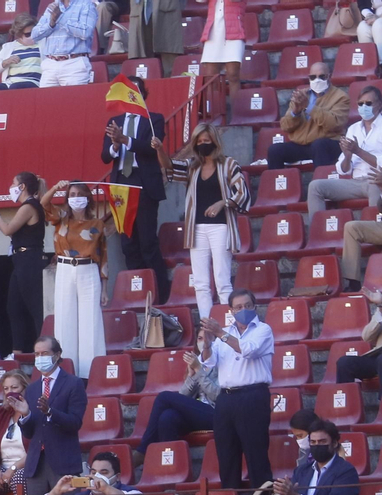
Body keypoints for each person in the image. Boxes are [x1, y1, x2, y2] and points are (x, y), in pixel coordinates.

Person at [163, 123, 250, 320]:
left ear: (215, 142)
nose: (203, 144)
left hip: (221, 226)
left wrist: (223, 202)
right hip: (197, 229)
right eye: (199, 141)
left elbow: (242, 192)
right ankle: (207, 325)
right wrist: (160, 149)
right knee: (201, 284)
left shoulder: (229, 164)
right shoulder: (192, 167)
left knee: (222, 281)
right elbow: (169, 166)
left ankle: (228, 323)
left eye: (206, 140)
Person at [199, 289, 273, 495]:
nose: (244, 310)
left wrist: (220, 333)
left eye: (247, 305)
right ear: (231, 310)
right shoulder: (225, 333)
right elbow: (209, 362)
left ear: (255, 306)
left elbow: (248, 350)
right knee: (227, 456)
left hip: (253, 395)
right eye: (238, 307)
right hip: (226, 398)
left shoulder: (263, 330)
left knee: (256, 455)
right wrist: (207, 342)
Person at [102, 79, 169, 305]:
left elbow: (151, 149)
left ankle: (160, 294)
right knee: (128, 244)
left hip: (144, 183)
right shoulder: (114, 121)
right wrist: (115, 145)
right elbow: (104, 156)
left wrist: (125, 139)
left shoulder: (154, 119)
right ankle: (137, 294)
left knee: (148, 242)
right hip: (121, 184)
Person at [21, 336, 87, 495]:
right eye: (36, 354)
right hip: (36, 463)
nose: (39, 358)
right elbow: (30, 432)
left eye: (44, 353)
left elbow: (75, 422)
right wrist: (24, 416)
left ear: (57, 355)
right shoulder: (32, 389)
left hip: (63, 460)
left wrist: (51, 412)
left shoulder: (74, 384)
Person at [43, 181, 111, 376]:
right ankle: (66, 371)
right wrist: (55, 188)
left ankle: (90, 373)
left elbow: (103, 256)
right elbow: (43, 204)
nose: (75, 198)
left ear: (88, 198)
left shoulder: (97, 224)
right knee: (64, 319)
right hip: (65, 268)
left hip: (88, 270)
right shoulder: (61, 218)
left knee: (91, 320)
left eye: (79, 194)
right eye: (72, 194)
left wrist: (104, 287)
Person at [0, 172, 45, 355]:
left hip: (30, 261)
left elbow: (8, 229)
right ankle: (17, 351)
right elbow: (16, 232)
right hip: (20, 261)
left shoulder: (29, 206)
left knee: (35, 308)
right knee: (14, 307)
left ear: (22, 187)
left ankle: (44, 349)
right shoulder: (27, 206)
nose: (11, 187)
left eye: (13, 183)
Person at [310, 84, 382, 216]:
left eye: (368, 103)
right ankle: (316, 227)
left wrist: (358, 151)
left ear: (379, 105)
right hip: (355, 182)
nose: (364, 107)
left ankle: (374, 227)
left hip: (376, 180)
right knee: (315, 187)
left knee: (375, 186)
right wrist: (347, 156)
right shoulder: (353, 129)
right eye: (360, 103)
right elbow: (343, 170)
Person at [136, 344, 218, 451]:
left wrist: (199, 370)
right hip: (197, 416)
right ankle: (169, 459)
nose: (203, 343)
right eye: (199, 338)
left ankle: (144, 449)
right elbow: (183, 397)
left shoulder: (220, 364)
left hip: (217, 414)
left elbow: (217, 396)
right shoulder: (197, 364)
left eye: (206, 339)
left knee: (163, 397)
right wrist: (191, 376)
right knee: (167, 417)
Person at [269, 63, 348, 169]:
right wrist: (295, 113)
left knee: (319, 145)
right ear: (309, 78)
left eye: (322, 76)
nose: (317, 80)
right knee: (274, 150)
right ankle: (277, 180)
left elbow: (335, 124)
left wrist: (309, 107)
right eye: (313, 77)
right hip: (302, 144)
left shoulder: (341, 97)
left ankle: (321, 179)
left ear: (329, 76)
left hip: (329, 142)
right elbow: (285, 126)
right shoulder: (301, 95)